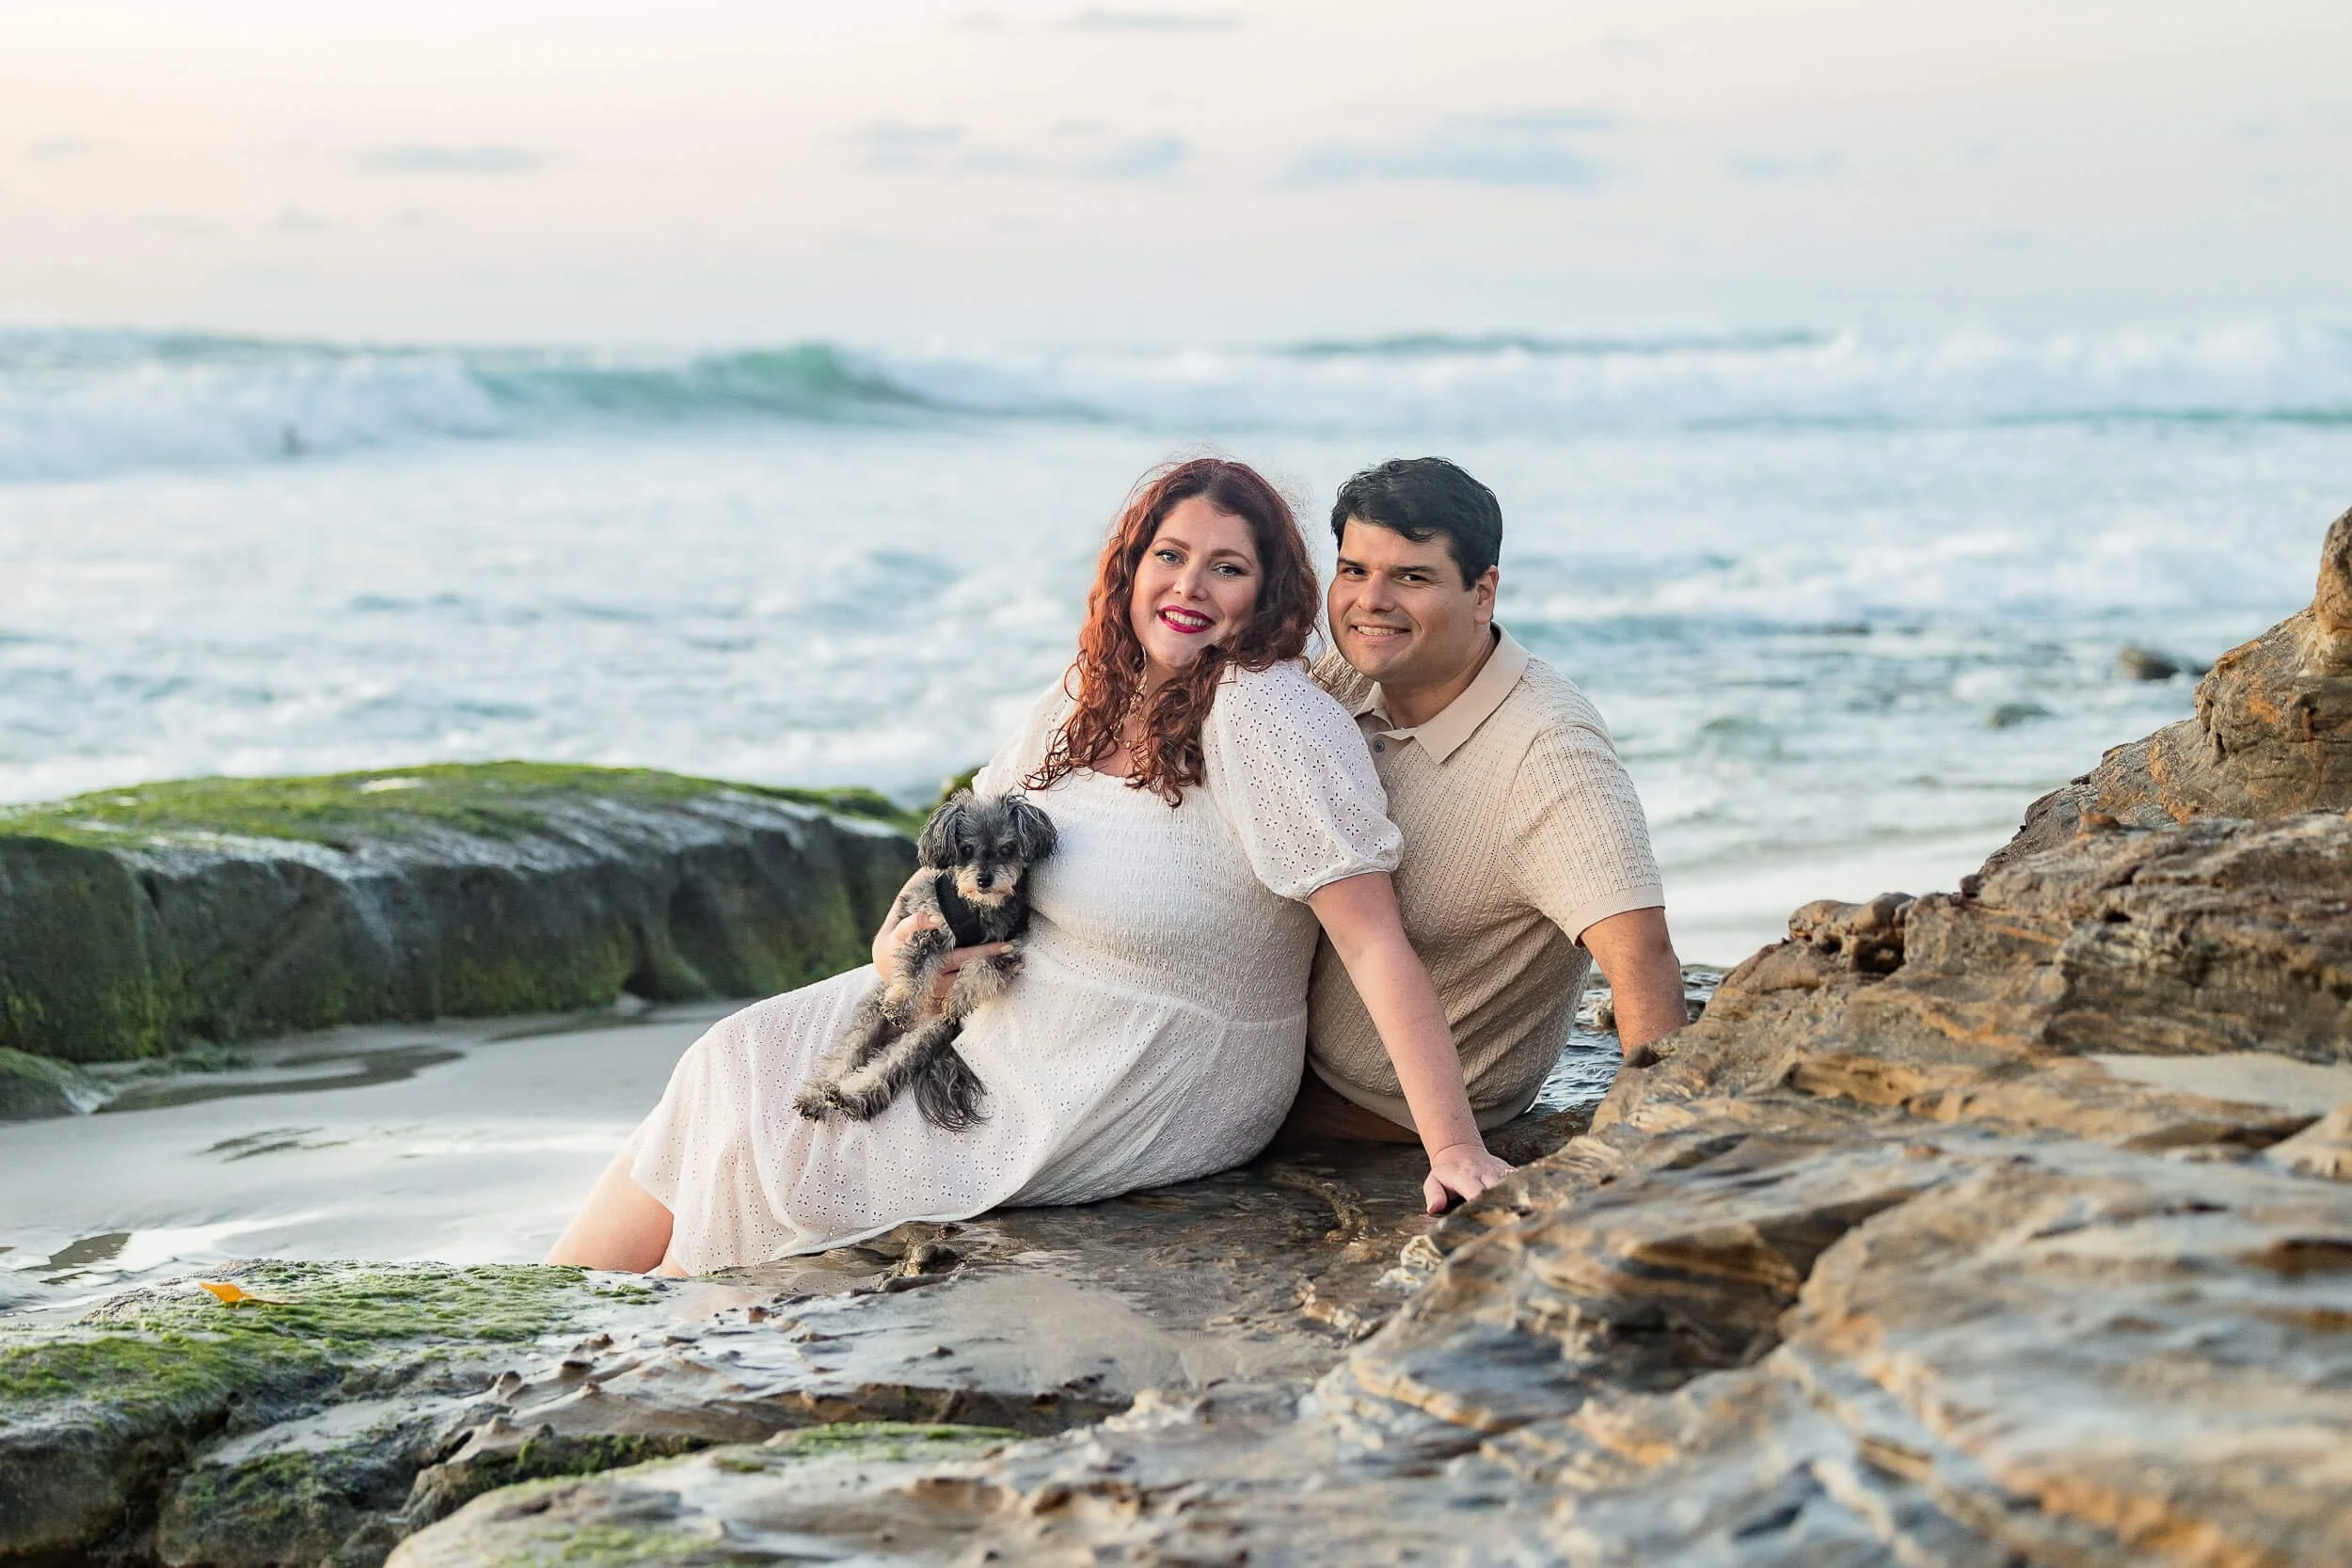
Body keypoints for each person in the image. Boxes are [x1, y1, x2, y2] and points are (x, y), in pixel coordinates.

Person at [548, 457, 1512, 1275]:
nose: (1188, 586)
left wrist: (1455, 1148)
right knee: (733, 1057)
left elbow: (1373, 942)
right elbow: (961, 841)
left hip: (1138, 1062)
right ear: (1130, 565)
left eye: (1226, 567)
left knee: (801, 1151)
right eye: (1168, 556)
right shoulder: (1092, 688)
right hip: (998, 1009)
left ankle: (632, 1342)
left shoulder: (1264, 716)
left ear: (1266, 592)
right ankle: (557, 1310)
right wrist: (905, 937)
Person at [1279, 457, 1686, 1147]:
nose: (1369, 600)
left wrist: (1660, 1159)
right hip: (1273, 1075)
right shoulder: (1352, 670)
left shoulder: (1549, 752)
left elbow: (1643, 958)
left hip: (1378, 1132)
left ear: (1483, 592)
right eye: (1353, 570)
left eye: (1411, 576)